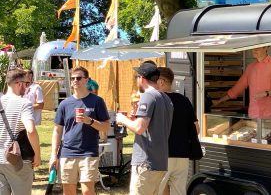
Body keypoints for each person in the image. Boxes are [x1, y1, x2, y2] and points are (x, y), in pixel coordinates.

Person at [49, 66, 110, 195]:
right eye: (72, 79)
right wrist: (54, 154)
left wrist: (90, 121)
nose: (75, 81)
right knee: (68, 192)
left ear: (86, 80)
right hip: (67, 153)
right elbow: (57, 131)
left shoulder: (97, 101)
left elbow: (106, 127)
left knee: (87, 191)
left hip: (88, 152)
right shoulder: (64, 103)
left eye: (78, 78)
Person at [116, 63, 173, 195]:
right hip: (160, 162)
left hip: (145, 162)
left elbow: (139, 128)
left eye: (137, 77)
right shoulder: (165, 98)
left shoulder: (148, 96)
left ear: (141, 78)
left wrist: (122, 119)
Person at [157, 67, 199, 195]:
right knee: (179, 191)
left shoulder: (156, 100)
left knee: (155, 191)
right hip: (182, 155)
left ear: (161, 81)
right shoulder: (184, 100)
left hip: (162, 155)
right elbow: (196, 129)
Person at [217, 47, 271, 118]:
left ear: (266, 48)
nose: (254, 50)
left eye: (258, 47)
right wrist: (220, 100)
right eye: (253, 47)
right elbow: (238, 87)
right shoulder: (250, 67)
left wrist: (266, 93)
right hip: (254, 113)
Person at [0, 69, 41, 194]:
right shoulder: (24, 103)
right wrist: (37, 155)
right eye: (27, 84)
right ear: (19, 84)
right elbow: (31, 130)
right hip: (17, 159)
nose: (27, 87)